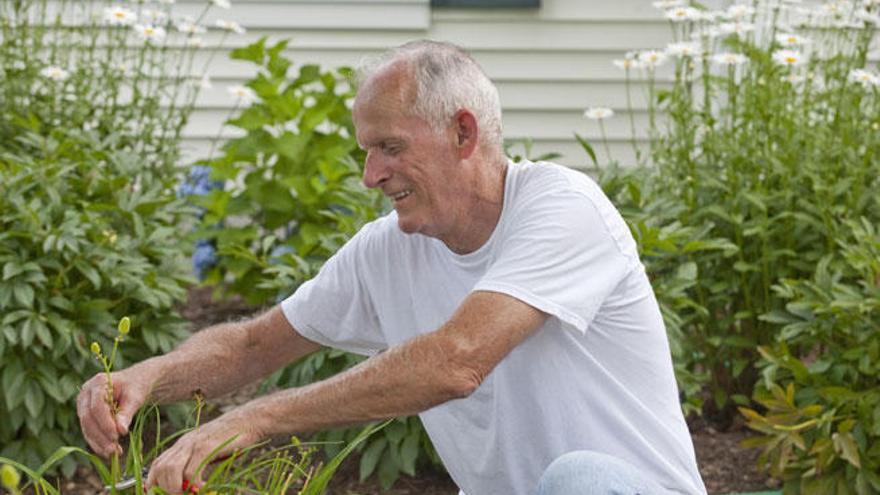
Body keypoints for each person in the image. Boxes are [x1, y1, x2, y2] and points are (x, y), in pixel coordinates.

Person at [77, 40, 707, 495]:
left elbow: (457, 360)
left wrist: (253, 418)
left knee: (579, 479)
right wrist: (147, 377)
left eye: (391, 147)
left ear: (463, 133)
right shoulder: (388, 250)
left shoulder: (562, 208)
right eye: (367, 151)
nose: (370, 175)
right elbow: (251, 344)